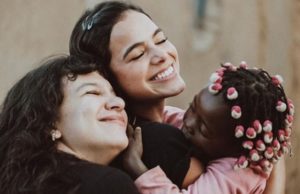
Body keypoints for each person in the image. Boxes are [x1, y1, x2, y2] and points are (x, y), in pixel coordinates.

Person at [69, 1, 286, 193]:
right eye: (138, 54)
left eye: (161, 40)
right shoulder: (158, 141)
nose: (162, 55)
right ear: (105, 77)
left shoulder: (164, 122)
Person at [124, 62, 294, 194]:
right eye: (192, 106)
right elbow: (167, 116)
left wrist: (138, 169)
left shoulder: (238, 172)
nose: (188, 123)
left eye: (203, 129)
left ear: (238, 150)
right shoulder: (205, 122)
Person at [0, 55, 139, 194]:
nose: (119, 103)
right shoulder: (107, 184)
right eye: (93, 92)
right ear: (49, 122)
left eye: (114, 94)